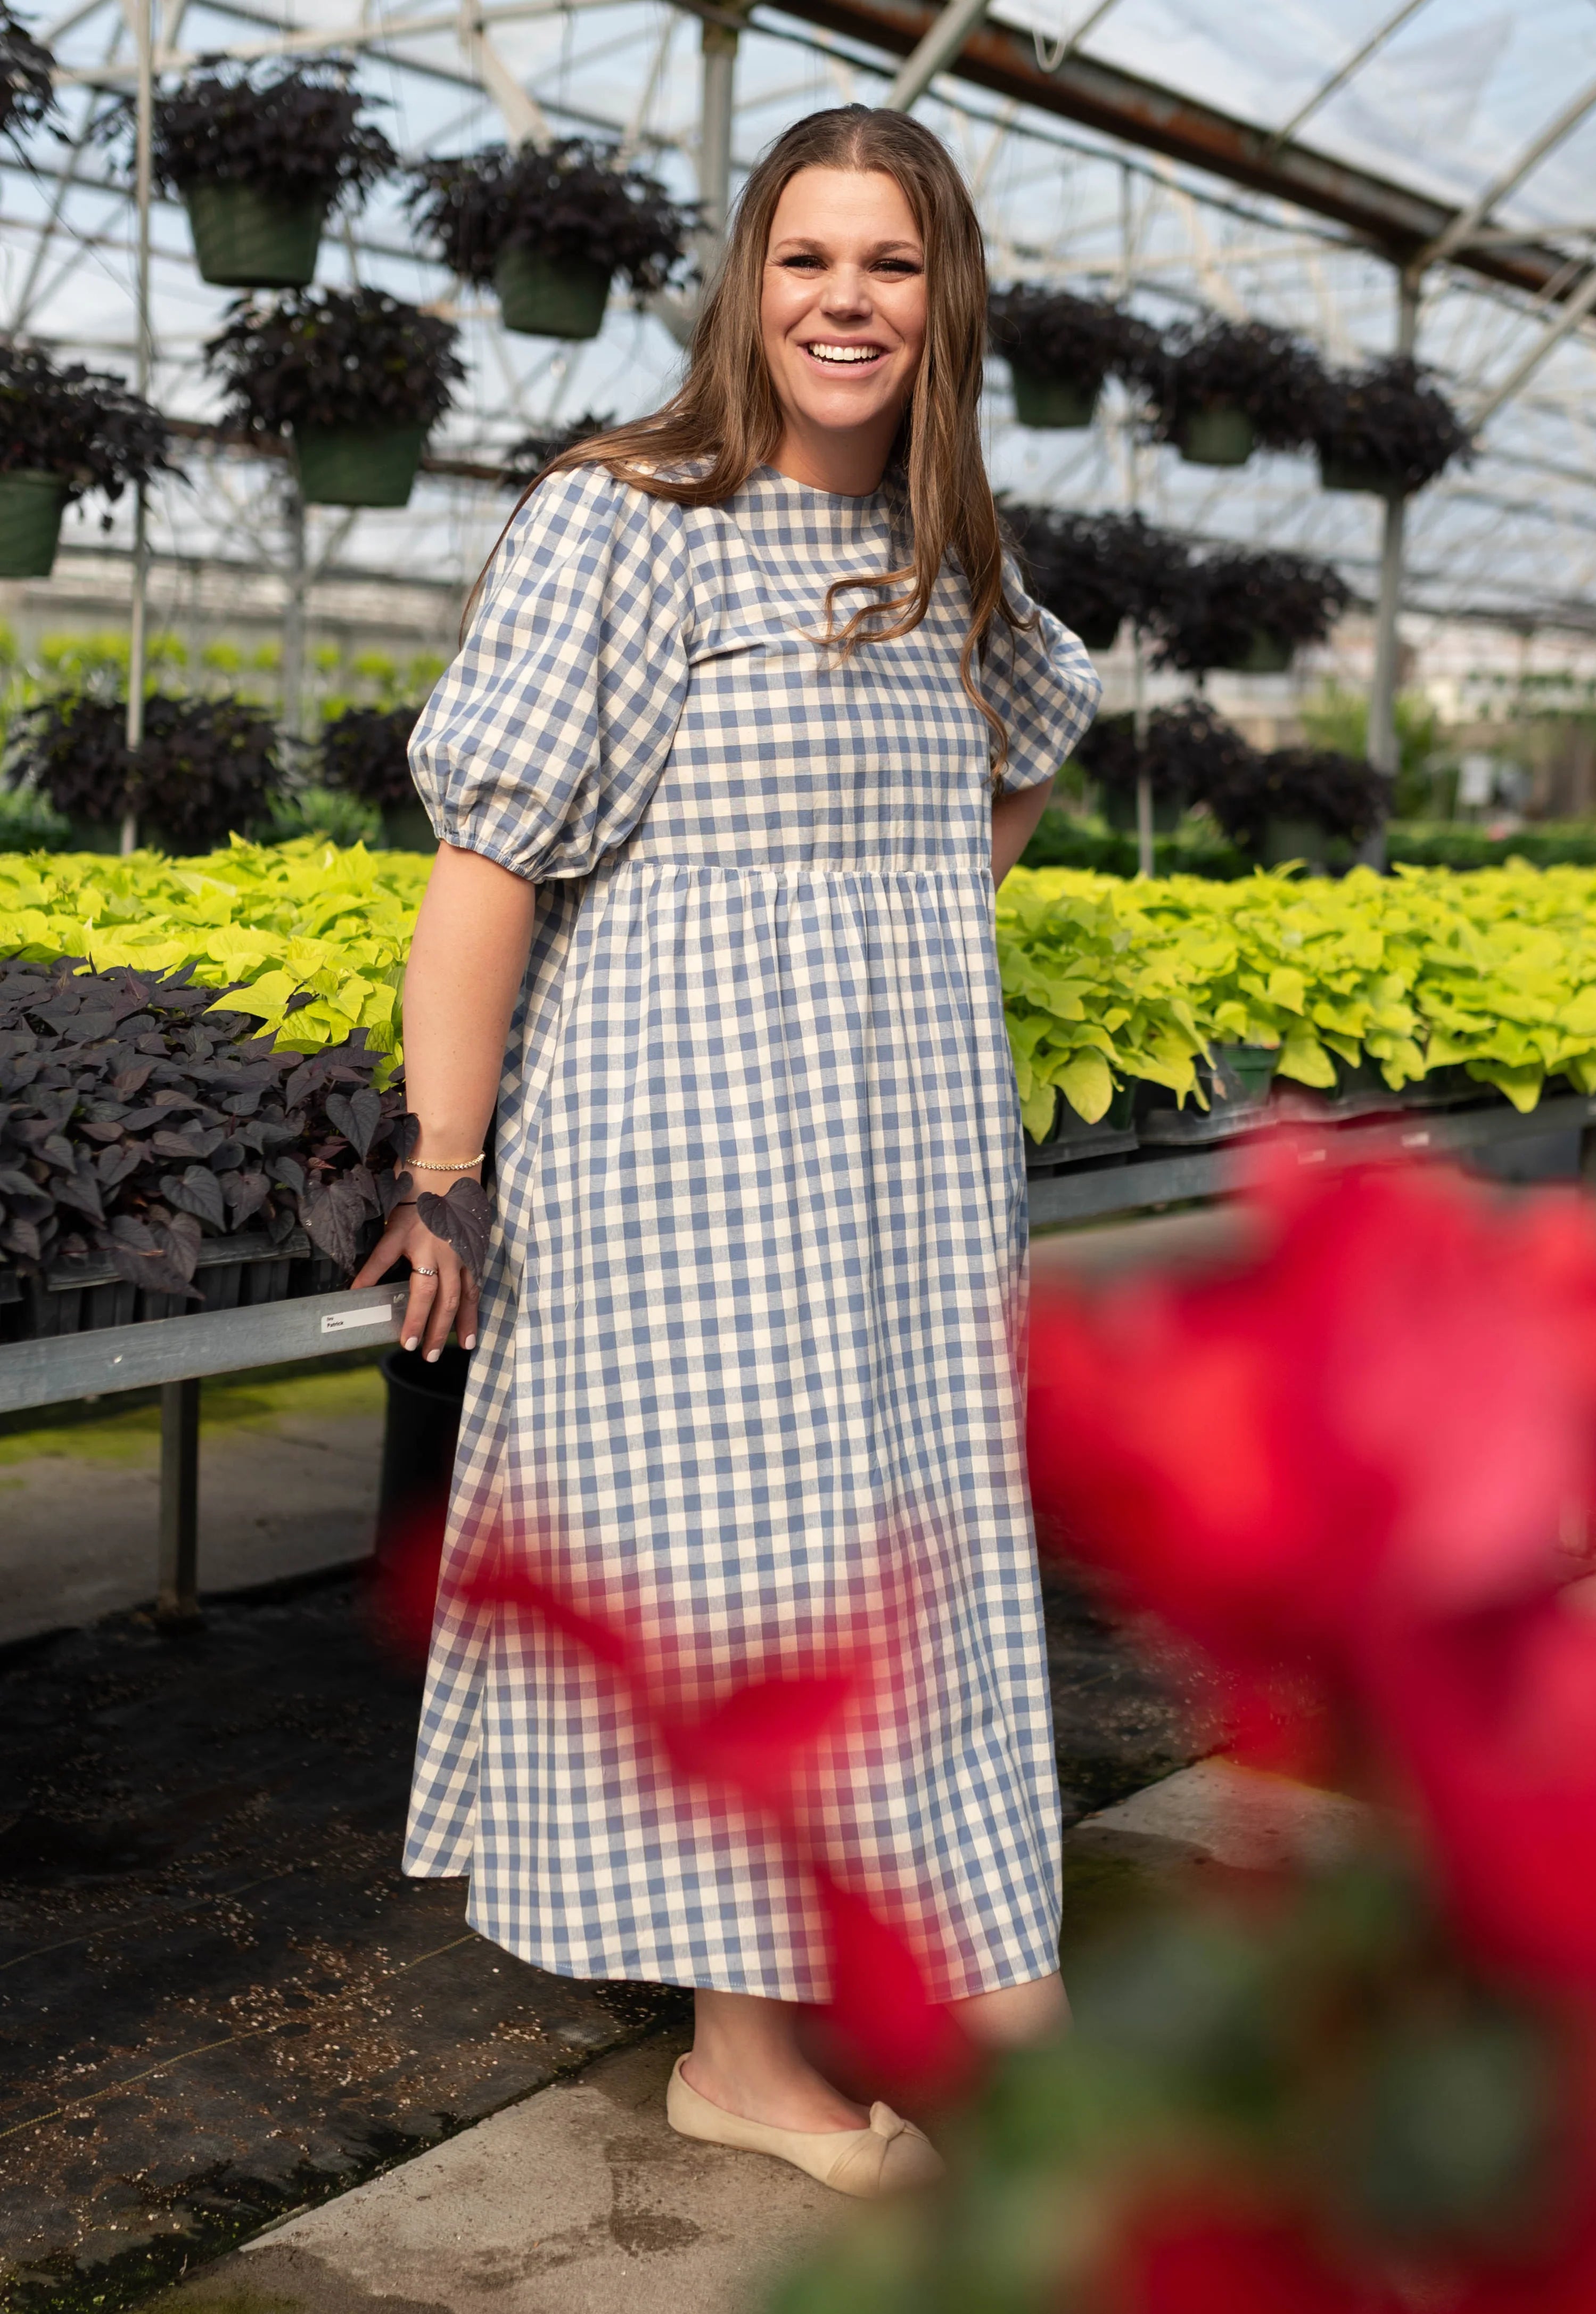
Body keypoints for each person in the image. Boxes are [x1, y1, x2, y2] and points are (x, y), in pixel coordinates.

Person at [355, 102, 1103, 2198]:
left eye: (890, 265)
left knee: (915, 1561)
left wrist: (895, 929)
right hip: (678, 1164)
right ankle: (755, 2057)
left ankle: (962, 1978)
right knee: (743, 1581)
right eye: (807, 259)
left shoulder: (950, 557)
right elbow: (487, 866)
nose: (845, 303)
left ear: (945, 298)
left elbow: (1023, 750)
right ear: (747, 285)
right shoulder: (627, 514)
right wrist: (446, 1166)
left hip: (900, 1171)